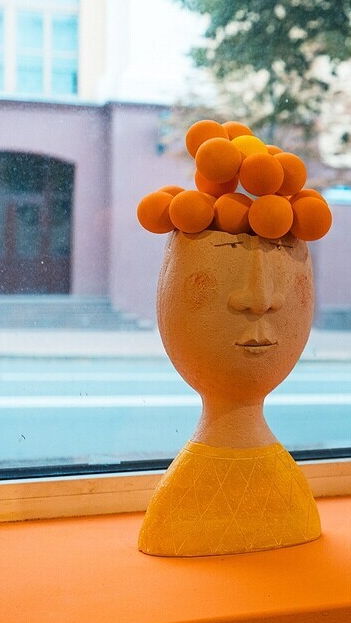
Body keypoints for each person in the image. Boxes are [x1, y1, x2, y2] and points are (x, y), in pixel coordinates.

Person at [138, 230, 322, 556]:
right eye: (226, 250)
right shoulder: (176, 513)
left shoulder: (291, 499)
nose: (261, 299)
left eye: (281, 252)